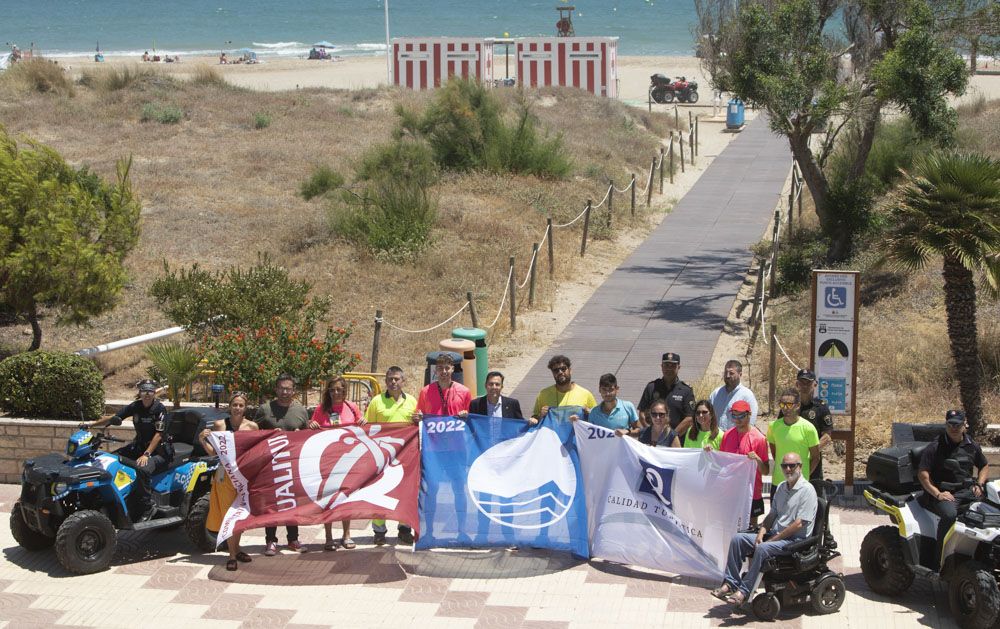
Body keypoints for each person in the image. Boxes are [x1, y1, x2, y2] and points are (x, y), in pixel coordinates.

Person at [712, 452, 818, 607]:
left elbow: (799, 524)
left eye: (792, 465)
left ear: (800, 467)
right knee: (737, 539)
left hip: (794, 541)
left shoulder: (808, 491)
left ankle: (743, 591)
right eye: (784, 466)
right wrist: (761, 532)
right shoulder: (782, 487)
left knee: (762, 549)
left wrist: (773, 539)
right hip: (775, 535)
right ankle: (730, 583)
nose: (788, 469)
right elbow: (772, 514)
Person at [87, 379, 171, 522]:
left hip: (159, 451)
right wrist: (90, 425)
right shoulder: (135, 406)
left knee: (143, 469)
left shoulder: (159, 409)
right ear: (139, 392)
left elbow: (159, 434)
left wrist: (146, 454)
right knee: (112, 457)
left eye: (150, 391)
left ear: (154, 393)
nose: (147, 394)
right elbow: (115, 417)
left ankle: (147, 507)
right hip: (139, 445)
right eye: (144, 391)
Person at [918, 410, 989, 563]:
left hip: (967, 492)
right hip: (943, 494)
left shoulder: (971, 445)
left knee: (991, 512)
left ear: (965, 425)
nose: (954, 428)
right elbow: (923, 474)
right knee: (950, 515)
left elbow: (984, 465)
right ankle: (940, 559)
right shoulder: (935, 447)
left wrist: (980, 484)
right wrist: (937, 494)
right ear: (946, 425)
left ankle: (984, 555)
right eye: (950, 424)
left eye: (957, 424)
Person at [198, 392, 258, 571]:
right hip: (225, 476)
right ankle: (231, 555)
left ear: (245, 407)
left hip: (243, 476)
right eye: (235, 405)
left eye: (241, 405)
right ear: (229, 406)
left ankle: (237, 548)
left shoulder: (252, 427)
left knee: (240, 514)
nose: (237, 408)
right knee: (229, 515)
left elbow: (258, 450)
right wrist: (202, 439)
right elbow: (212, 453)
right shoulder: (220, 425)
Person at [255, 373, 310, 555]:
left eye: (288, 388)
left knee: (291, 503)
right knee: (271, 504)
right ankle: (270, 540)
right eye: (281, 388)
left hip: (292, 465)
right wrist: (269, 435)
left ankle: (293, 539)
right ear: (276, 389)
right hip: (269, 465)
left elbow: (306, 437)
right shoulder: (264, 409)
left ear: (293, 390)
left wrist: (298, 434)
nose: (285, 392)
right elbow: (253, 433)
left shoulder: (301, 411)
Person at [309, 376, 365, 551]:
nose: (335, 393)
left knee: (345, 498)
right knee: (329, 499)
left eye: (339, 389)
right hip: (327, 461)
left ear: (344, 390)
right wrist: (311, 424)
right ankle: (328, 537)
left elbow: (362, 428)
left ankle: (347, 535)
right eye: (332, 390)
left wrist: (363, 422)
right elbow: (311, 427)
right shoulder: (321, 409)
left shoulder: (352, 407)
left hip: (347, 460)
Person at [365, 366, 418, 545]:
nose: (393, 382)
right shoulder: (376, 402)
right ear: (385, 382)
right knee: (380, 492)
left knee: (405, 493)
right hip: (382, 456)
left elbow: (417, 425)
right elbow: (368, 428)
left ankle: (404, 529)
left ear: (403, 381)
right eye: (390, 379)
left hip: (406, 457)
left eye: (397, 379)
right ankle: (379, 531)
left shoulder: (412, 401)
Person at [720, 400, 770, 526]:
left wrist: (757, 459)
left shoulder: (759, 438)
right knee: (728, 527)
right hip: (731, 492)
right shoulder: (727, 435)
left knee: (750, 530)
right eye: (734, 415)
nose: (737, 419)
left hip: (752, 493)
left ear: (749, 415)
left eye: (741, 415)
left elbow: (766, 471)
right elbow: (721, 462)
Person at [784, 369, 833, 481]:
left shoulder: (821, 407)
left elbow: (827, 436)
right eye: (802, 382)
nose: (805, 386)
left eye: (808, 383)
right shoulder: (789, 406)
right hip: (790, 461)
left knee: (815, 495)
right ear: (797, 384)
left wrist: (810, 453)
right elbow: (780, 428)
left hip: (813, 462)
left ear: (815, 384)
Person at [767, 389, 820, 486]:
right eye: (782, 404)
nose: (786, 408)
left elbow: (816, 457)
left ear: (798, 405)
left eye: (789, 404)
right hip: (778, 482)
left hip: (800, 484)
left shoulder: (808, 428)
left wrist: (805, 475)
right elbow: (775, 454)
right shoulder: (773, 427)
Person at [637, 352, 695, 439]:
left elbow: (690, 418)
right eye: (666, 365)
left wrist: (671, 437)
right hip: (652, 441)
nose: (669, 369)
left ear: (679, 367)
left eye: (673, 366)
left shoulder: (686, 390)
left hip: (676, 442)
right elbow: (642, 413)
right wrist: (650, 433)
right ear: (661, 367)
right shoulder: (652, 387)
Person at [531, 355, 597, 422]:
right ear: (552, 373)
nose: (560, 372)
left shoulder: (585, 394)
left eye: (563, 368)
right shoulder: (543, 394)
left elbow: (598, 419)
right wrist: (540, 416)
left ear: (570, 370)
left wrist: (589, 414)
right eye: (556, 370)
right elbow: (535, 419)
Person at [414, 354, 472, 420]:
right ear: (435, 370)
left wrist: (466, 415)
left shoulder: (464, 391)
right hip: (433, 429)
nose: (444, 371)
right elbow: (419, 416)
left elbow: (471, 417)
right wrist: (418, 418)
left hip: (456, 429)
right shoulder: (425, 391)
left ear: (452, 369)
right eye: (440, 368)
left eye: (447, 368)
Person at [709, 360, 758, 431]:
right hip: (716, 438)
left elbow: (751, 421)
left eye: (731, 373)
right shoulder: (716, 394)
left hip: (736, 438)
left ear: (740, 374)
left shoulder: (747, 395)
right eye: (726, 373)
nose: (727, 376)